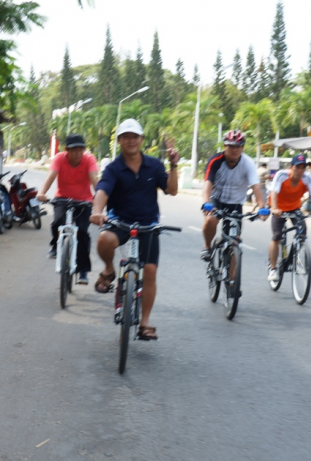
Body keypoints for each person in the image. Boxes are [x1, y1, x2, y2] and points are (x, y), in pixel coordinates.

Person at [90, 119, 180, 341]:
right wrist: (97, 210)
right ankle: (109, 270)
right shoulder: (113, 168)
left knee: (149, 272)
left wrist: (173, 166)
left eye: (135, 136)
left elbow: (172, 190)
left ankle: (145, 323)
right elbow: (102, 191)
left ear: (141, 140)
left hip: (148, 224)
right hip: (120, 222)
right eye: (126, 136)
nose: (131, 140)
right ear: (119, 140)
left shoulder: (154, 165)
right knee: (103, 239)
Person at [37, 134, 98, 284]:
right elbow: (51, 176)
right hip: (62, 199)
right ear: (67, 150)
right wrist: (42, 193)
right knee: (57, 222)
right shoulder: (59, 158)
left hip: (84, 202)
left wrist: (99, 197)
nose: (78, 153)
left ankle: (83, 271)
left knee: (83, 233)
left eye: (81, 149)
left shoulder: (89, 159)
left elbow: (94, 179)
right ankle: (55, 246)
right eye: (74, 149)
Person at [201, 129, 267, 261]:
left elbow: (256, 188)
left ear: (242, 148)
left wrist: (261, 207)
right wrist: (206, 203)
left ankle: (232, 281)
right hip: (217, 199)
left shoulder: (248, 163)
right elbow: (208, 184)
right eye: (231, 146)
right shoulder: (215, 160)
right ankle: (207, 246)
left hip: (236, 204)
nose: (234, 150)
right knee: (210, 220)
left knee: (235, 243)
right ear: (225, 146)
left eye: (238, 146)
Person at [267, 154, 311, 282]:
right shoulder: (282, 175)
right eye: (297, 167)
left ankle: (297, 258)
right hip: (278, 208)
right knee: (277, 237)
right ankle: (273, 269)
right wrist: (274, 209)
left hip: (294, 208)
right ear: (291, 167)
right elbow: (274, 192)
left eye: (303, 167)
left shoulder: (307, 177)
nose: (300, 170)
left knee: (302, 233)